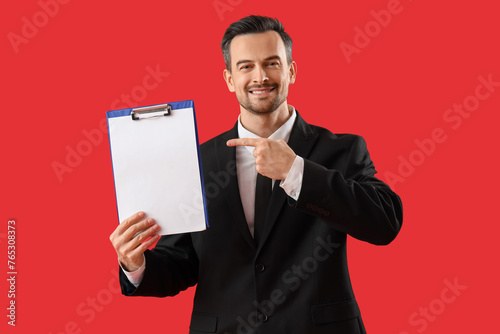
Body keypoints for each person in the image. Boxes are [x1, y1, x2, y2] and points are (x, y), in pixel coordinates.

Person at [109, 15, 403, 334]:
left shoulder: (342, 151)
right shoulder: (197, 161)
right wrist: (135, 265)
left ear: (291, 70)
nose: (260, 76)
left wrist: (297, 172)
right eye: (246, 66)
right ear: (229, 79)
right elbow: (181, 264)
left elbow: (385, 223)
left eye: (272, 63)